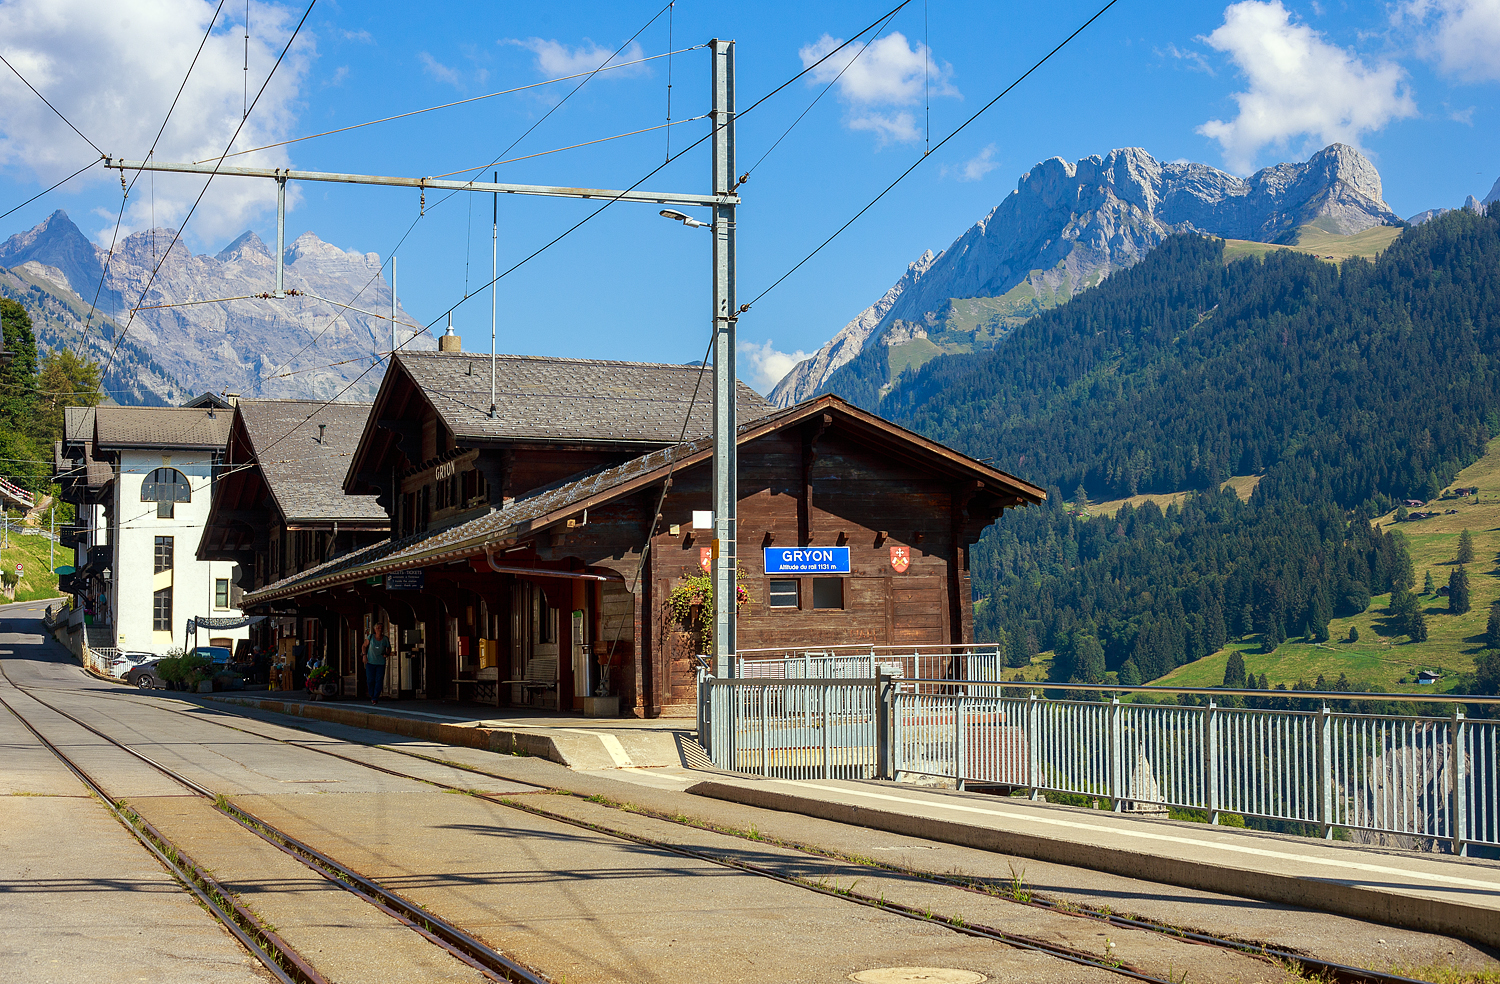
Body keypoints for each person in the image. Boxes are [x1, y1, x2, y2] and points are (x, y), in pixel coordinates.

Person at [362, 622, 390, 705]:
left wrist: (387, 653)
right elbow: (364, 646)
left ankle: (375, 697)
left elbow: (388, 648)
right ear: (375, 629)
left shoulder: (385, 639)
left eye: (381, 628)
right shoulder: (370, 637)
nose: (380, 629)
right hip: (370, 662)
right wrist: (364, 655)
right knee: (370, 680)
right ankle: (372, 694)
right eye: (378, 628)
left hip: (380, 662)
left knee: (379, 680)